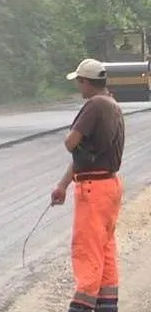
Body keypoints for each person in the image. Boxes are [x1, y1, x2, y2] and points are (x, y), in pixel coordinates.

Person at [51, 59, 124, 312]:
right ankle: (107, 306)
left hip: (93, 191)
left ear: (86, 82)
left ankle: (81, 307)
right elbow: (85, 157)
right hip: (109, 186)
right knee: (104, 249)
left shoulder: (94, 105)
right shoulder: (112, 104)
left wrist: (69, 137)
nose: (79, 88)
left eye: (79, 82)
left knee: (87, 251)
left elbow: (72, 144)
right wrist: (62, 185)